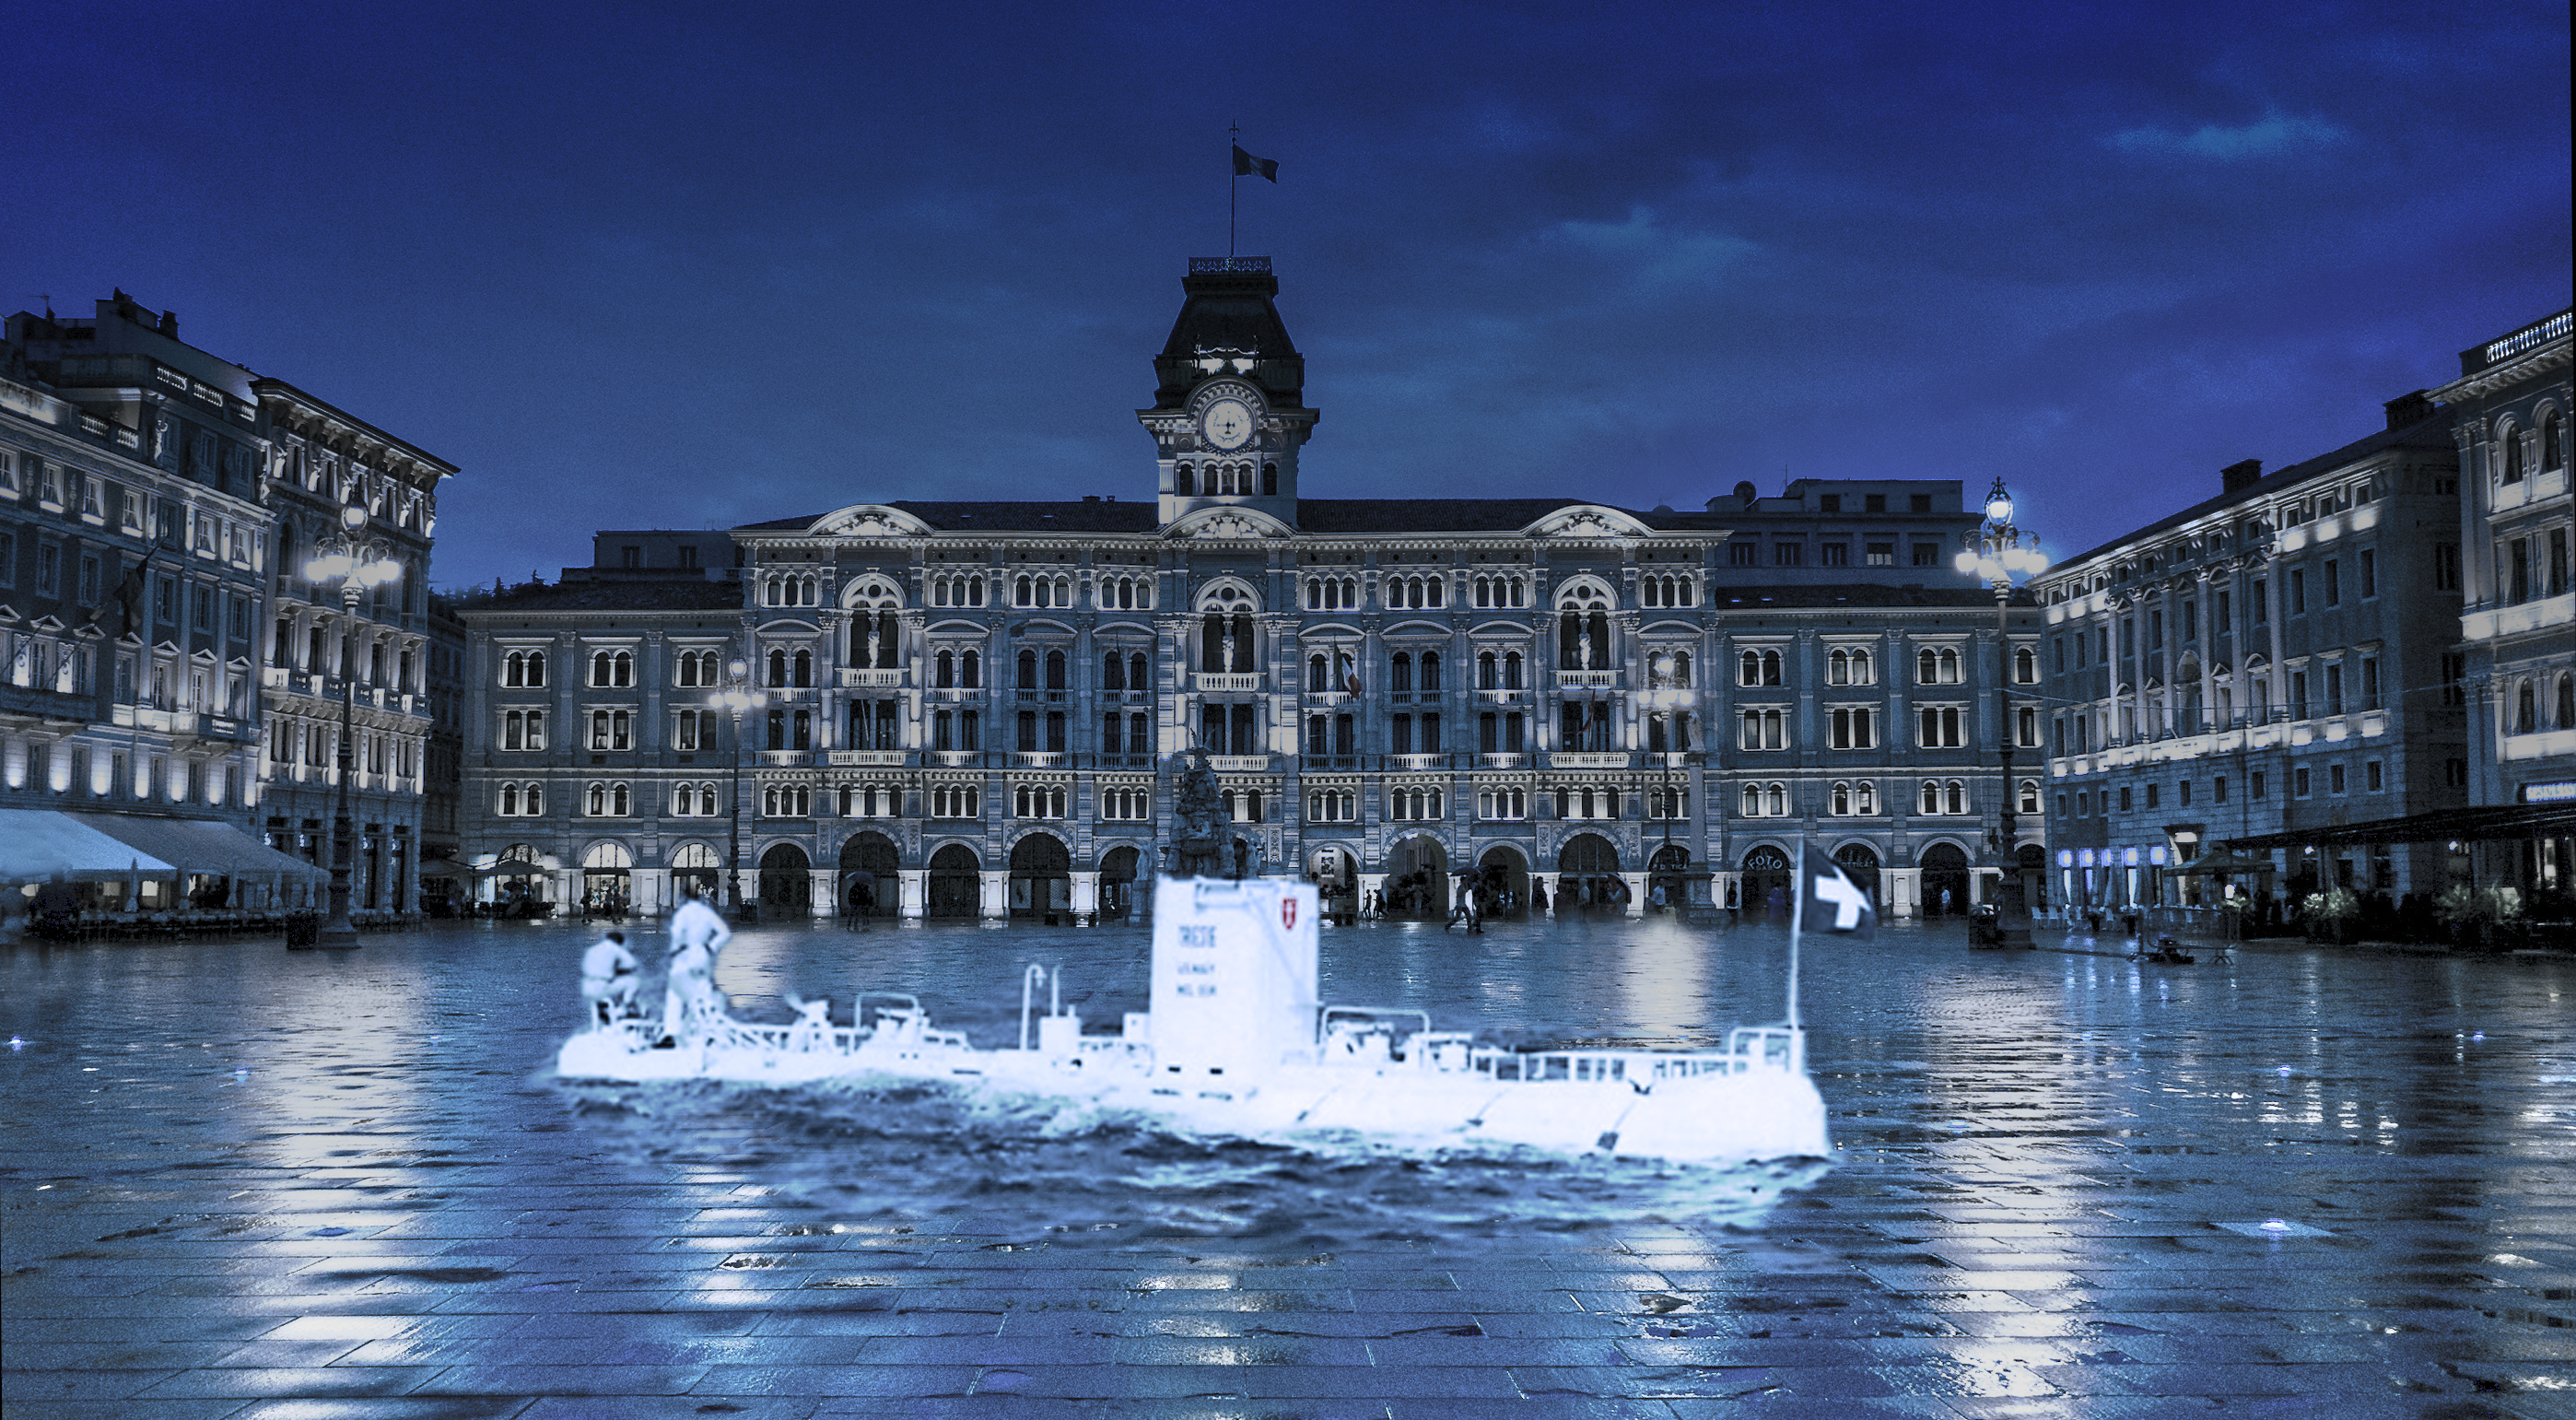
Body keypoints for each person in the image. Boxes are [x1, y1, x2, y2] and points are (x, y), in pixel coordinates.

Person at [662, 884, 734, 1042]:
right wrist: (710, 947)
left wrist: (674, 952)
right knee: (704, 992)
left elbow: (677, 935)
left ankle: (671, 1032)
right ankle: (709, 1031)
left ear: (684, 897)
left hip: (684, 954)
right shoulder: (707, 913)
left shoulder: (683, 913)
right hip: (702, 955)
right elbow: (725, 933)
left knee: (675, 993)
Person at [580, 930, 639, 1027]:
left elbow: (587, 968)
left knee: (611, 986)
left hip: (587, 988)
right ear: (619, 942)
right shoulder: (615, 948)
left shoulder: (592, 949)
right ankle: (626, 1007)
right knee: (633, 982)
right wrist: (619, 969)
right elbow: (632, 964)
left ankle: (604, 1012)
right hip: (601, 987)